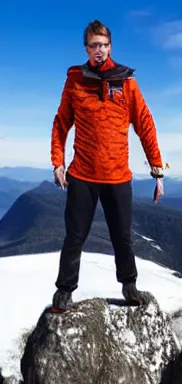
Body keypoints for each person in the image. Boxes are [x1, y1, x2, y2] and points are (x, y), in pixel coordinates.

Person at [50, 19, 166, 313]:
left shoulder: (126, 82)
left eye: (103, 45)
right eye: (93, 45)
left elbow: (145, 124)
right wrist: (57, 163)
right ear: (86, 48)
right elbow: (62, 122)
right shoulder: (75, 80)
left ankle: (129, 286)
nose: (98, 50)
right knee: (75, 235)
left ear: (110, 46)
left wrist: (157, 169)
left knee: (122, 235)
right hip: (82, 174)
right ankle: (64, 290)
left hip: (117, 176)